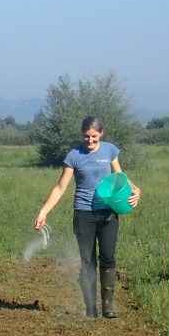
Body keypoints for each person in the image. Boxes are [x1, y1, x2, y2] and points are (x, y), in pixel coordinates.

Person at [34, 116, 140, 318]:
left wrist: (135, 190)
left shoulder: (110, 150)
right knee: (88, 262)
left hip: (108, 212)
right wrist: (44, 211)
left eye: (94, 136)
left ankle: (108, 305)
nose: (90, 140)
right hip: (84, 214)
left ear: (101, 134)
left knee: (107, 257)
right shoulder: (74, 155)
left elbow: (120, 178)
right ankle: (91, 308)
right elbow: (60, 187)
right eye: (86, 136)